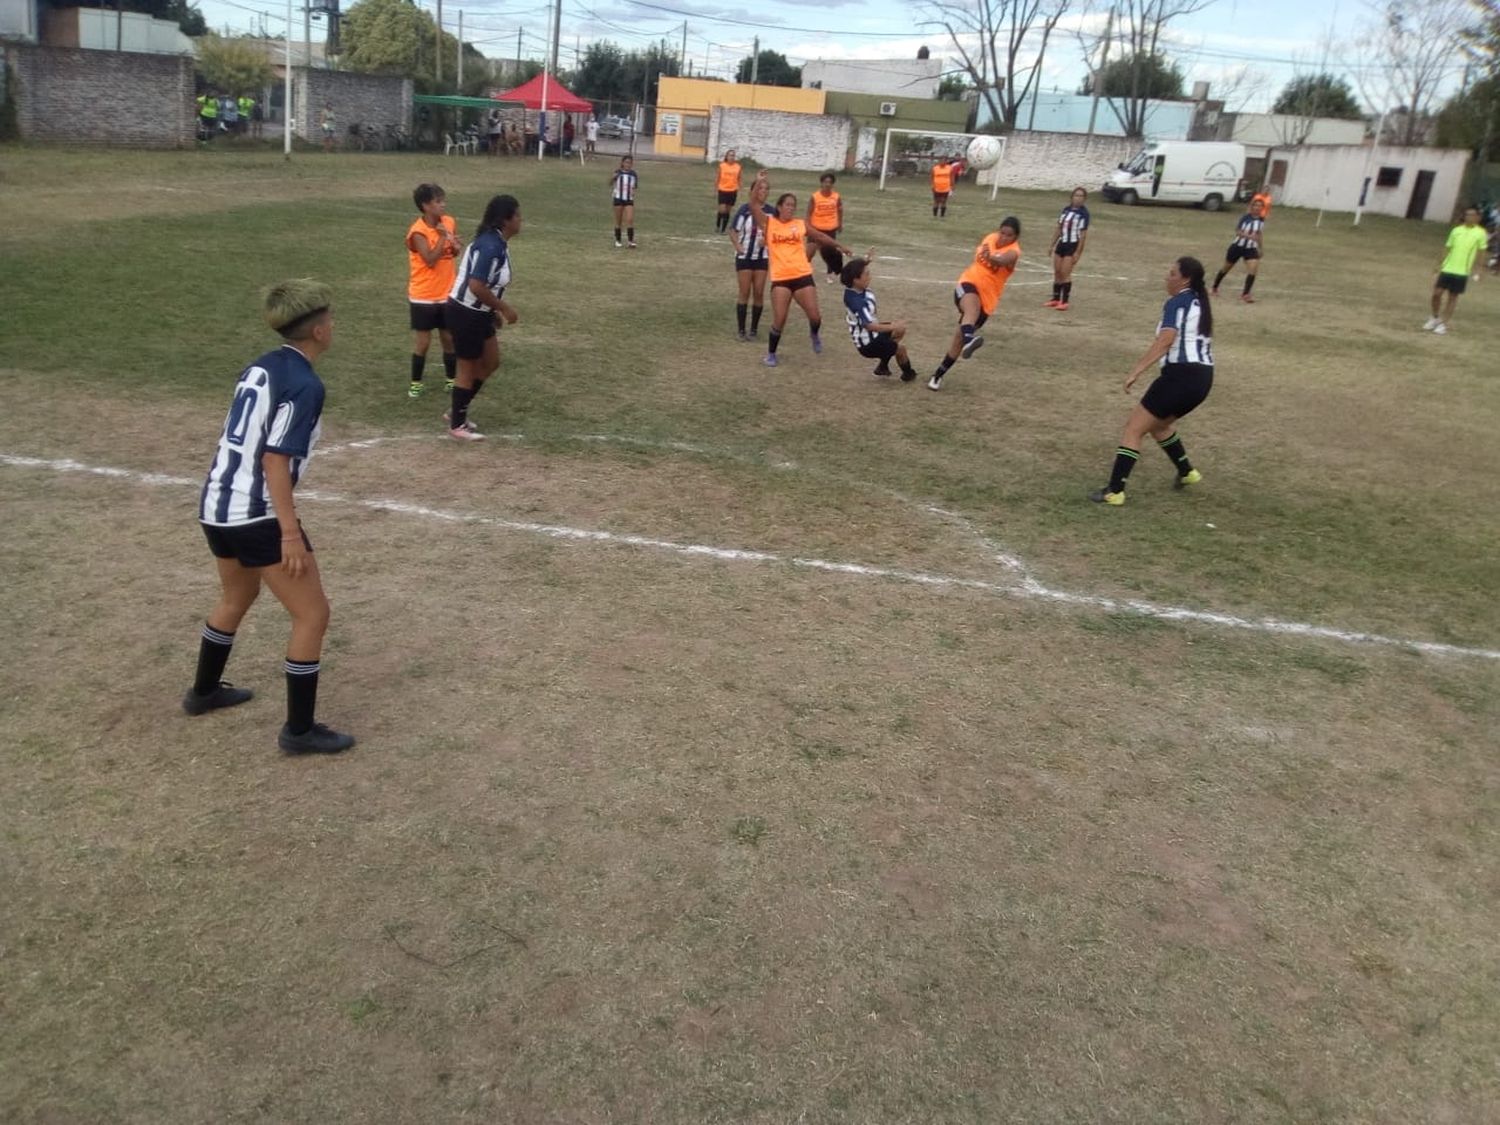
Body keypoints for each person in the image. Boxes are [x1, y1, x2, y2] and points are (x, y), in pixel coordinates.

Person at [186, 278, 355, 755]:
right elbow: (275, 460)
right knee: (312, 614)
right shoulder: (306, 385)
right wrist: (288, 533)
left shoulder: (261, 366)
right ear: (319, 330)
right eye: (330, 318)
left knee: (237, 594)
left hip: (216, 506)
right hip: (256, 515)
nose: (333, 325)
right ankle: (299, 731)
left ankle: (203, 693)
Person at [1088, 256, 1213, 506]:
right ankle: (1187, 472)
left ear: (1185, 279)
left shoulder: (1177, 302)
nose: (1167, 278)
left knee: (1134, 429)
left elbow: (1166, 339)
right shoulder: (1200, 302)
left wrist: (1137, 370)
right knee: (1158, 426)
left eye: (1172, 274)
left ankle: (1115, 490)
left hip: (1181, 376)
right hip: (1203, 379)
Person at [749, 178, 851, 367]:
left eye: (793, 206)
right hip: (781, 279)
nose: (791, 208)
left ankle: (814, 333)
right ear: (779, 207)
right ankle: (771, 354)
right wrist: (759, 182)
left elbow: (820, 236)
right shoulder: (769, 223)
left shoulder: (800, 224)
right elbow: (753, 204)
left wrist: (840, 246)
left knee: (815, 316)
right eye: (787, 205)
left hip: (802, 275)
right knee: (779, 319)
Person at [444, 194, 521, 441]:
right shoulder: (491, 246)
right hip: (466, 312)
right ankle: (457, 424)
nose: (521, 220)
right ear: (506, 220)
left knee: (491, 361)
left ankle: (457, 408)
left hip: (480, 313)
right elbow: (476, 285)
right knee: (468, 367)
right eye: (518, 216)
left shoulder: (497, 243)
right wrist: (503, 308)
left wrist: (491, 312)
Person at [928, 217, 1021, 391]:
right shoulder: (990, 238)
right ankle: (970, 339)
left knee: (958, 339)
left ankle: (937, 375)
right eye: (1002, 232)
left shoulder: (1014, 252)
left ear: (1015, 237)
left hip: (988, 300)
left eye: (1009, 235)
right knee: (972, 307)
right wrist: (991, 255)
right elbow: (987, 252)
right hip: (968, 283)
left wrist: (993, 258)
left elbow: (1003, 260)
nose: (1003, 237)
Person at [405, 183, 462, 399]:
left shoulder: (449, 222)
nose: (443, 205)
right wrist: (441, 237)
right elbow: (429, 260)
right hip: (424, 295)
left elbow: (451, 252)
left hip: (447, 292)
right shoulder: (417, 232)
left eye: (442, 200)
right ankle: (416, 383)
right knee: (423, 342)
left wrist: (455, 246)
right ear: (425, 206)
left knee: (448, 338)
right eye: (438, 201)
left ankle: (451, 379)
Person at [841, 256, 919, 382]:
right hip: (868, 343)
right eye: (866, 274)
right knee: (900, 349)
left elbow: (850, 269)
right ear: (856, 279)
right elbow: (869, 326)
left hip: (872, 334)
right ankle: (908, 375)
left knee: (900, 330)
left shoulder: (855, 288)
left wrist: (866, 261)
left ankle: (882, 368)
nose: (869, 276)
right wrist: (893, 326)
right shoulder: (857, 302)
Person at [1424, 206, 1489, 335]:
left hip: (1462, 271)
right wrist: (1438, 264)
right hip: (1448, 268)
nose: (1469, 217)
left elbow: (1481, 253)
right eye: (1467, 215)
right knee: (1437, 293)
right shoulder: (1456, 230)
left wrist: (1479, 270)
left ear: (1477, 217)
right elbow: (1447, 248)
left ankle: (1443, 323)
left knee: (1452, 297)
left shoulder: (1480, 233)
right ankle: (1435, 317)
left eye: (1472, 215)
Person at [729, 172, 774, 341]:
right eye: (761, 188)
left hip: (762, 258)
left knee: (759, 292)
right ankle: (741, 330)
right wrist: (738, 246)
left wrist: (767, 242)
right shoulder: (745, 210)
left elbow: (776, 234)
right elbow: (733, 230)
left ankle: (754, 329)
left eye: (766, 188)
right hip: (745, 257)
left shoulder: (771, 212)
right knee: (744, 292)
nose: (764, 191)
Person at [1211, 197, 1265, 303]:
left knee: (1253, 269)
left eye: (1260, 206)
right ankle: (1214, 287)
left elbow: (1259, 234)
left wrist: (1260, 247)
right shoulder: (1245, 218)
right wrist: (1249, 236)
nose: (1257, 208)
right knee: (1226, 268)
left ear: (1262, 208)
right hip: (1237, 247)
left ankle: (1245, 294)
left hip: (1250, 248)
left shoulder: (1261, 220)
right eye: (1255, 205)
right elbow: (1238, 231)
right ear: (1252, 207)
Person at [1046, 187, 1091, 311]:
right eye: (1076, 195)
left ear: (1084, 199)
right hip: (1062, 243)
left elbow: (1083, 235)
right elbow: (1059, 228)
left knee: (1065, 273)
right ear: (1072, 197)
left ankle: (1064, 301)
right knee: (1057, 271)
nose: (1078, 198)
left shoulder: (1084, 214)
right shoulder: (1066, 210)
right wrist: (1052, 245)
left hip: (1072, 245)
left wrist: (1078, 252)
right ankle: (1055, 299)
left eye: (1081, 196)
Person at [805, 173, 845, 283]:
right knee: (809, 251)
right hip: (815, 228)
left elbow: (840, 210)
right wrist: (807, 225)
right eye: (825, 182)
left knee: (829, 253)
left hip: (830, 229)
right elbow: (809, 212)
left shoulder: (836, 197)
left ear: (832, 184)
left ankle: (830, 274)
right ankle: (804, 271)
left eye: (830, 182)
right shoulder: (815, 196)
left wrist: (840, 224)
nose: (827, 184)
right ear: (821, 183)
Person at [611, 155, 638, 248]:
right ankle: (618, 240)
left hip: (629, 199)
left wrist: (633, 192)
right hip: (618, 198)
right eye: (626, 162)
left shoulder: (633, 174)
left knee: (630, 219)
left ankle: (631, 241)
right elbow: (611, 183)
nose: (628, 164)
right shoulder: (617, 172)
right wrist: (613, 178)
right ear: (622, 163)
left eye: (630, 163)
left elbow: (634, 186)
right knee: (618, 221)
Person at [715, 148, 742, 234]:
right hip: (722, 189)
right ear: (726, 156)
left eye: (733, 155)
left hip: (732, 190)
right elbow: (718, 177)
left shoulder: (738, 167)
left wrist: (740, 189)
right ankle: (718, 225)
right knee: (722, 209)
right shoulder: (722, 166)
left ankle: (723, 229)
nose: (732, 157)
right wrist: (716, 188)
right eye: (730, 155)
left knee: (728, 211)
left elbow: (739, 178)